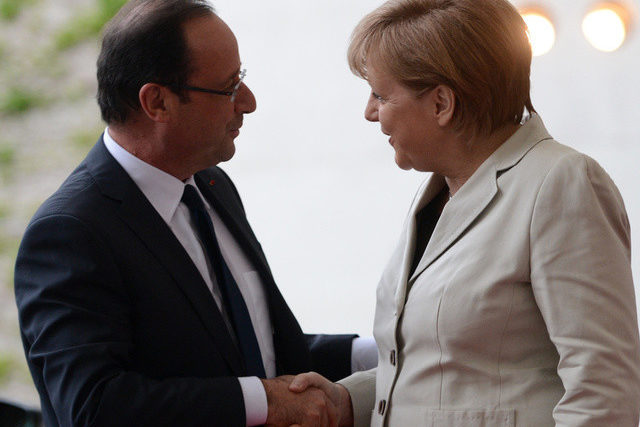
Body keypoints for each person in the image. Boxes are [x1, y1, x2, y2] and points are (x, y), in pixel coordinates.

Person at [13, 1, 376, 426]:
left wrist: (381, 352)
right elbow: (93, 406)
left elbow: (249, 349)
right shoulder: (70, 233)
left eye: (242, 78)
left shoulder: (210, 185)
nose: (249, 102)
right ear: (157, 102)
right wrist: (266, 401)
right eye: (229, 87)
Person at [289, 0, 640, 425]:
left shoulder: (561, 181)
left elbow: (604, 391)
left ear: (441, 103)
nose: (370, 112)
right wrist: (349, 399)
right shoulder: (438, 194)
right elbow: (444, 369)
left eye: (380, 94)